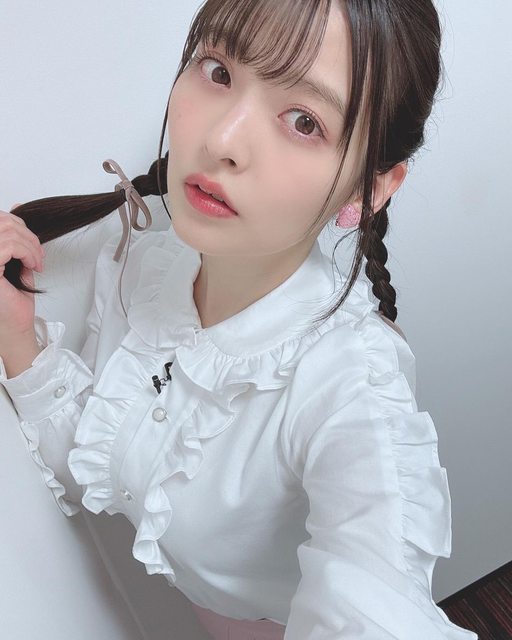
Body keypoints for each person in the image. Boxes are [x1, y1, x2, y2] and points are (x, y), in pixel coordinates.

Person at [0, 0, 478, 638]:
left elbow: (376, 596)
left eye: (304, 121)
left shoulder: (352, 388)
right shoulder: (146, 266)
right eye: (219, 71)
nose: (221, 140)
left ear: (370, 188)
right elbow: (98, 462)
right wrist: (17, 334)